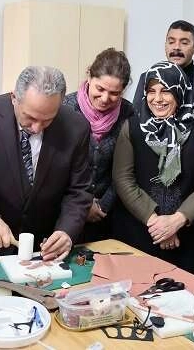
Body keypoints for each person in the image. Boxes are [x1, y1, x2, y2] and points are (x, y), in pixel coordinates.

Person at [0, 66, 91, 263]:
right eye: (30, 117)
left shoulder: (76, 127)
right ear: (14, 97)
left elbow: (79, 190)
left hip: (46, 250)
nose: (37, 128)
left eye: (47, 120)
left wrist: (66, 231)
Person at [113, 61, 194, 283]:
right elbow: (123, 178)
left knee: (192, 295)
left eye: (165, 91)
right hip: (142, 232)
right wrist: (156, 223)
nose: (157, 98)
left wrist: (176, 221)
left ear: (180, 91)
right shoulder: (132, 127)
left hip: (193, 237)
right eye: (151, 91)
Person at [62, 48, 134, 242]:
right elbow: (55, 168)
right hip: (65, 211)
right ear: (89, 77)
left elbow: (126, 169)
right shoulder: (65, 109)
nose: (105, 99)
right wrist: (84, 205)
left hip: (107, 214)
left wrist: (103, 205)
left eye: (114, 93)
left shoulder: (128, 113)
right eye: (100, 89)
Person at [133, 20, 194, 136]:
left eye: (184, 43)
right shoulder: (146, 78)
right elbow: (136, 122)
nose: (176, 47)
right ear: (165, 46)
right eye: (171, 42)